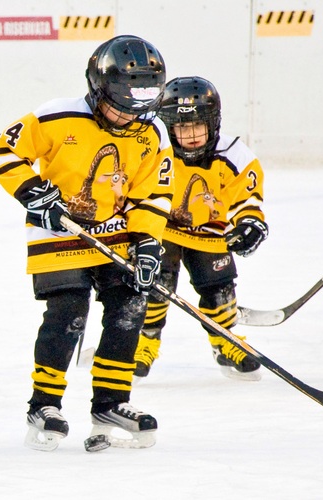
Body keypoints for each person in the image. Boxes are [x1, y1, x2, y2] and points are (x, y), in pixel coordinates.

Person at [0, 35, 174, 452]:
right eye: (118, 107)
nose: (128, 118)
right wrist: (34, 192)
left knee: (129, 307)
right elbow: (4, 152)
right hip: (59, 234)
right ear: (96, 89)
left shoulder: (153, 132)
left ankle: (111, 402)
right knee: (68, 311)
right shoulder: (56, 116)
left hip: (118, 236)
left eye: (138, 110)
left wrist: (147, 242)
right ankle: (45, 404)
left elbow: (153, 194)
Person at [133, 76, 266, 381]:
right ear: (169, 127)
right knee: (154, 281)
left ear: (213, 123)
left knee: (219, 288)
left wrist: (249, 224)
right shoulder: (153, 150)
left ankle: (224, 340)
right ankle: (144, 341)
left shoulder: (235, 156)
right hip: (163, 229)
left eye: (197, 125)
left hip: (209, 233)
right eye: (182, 127)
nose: (191, 134)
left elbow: (246, 199)